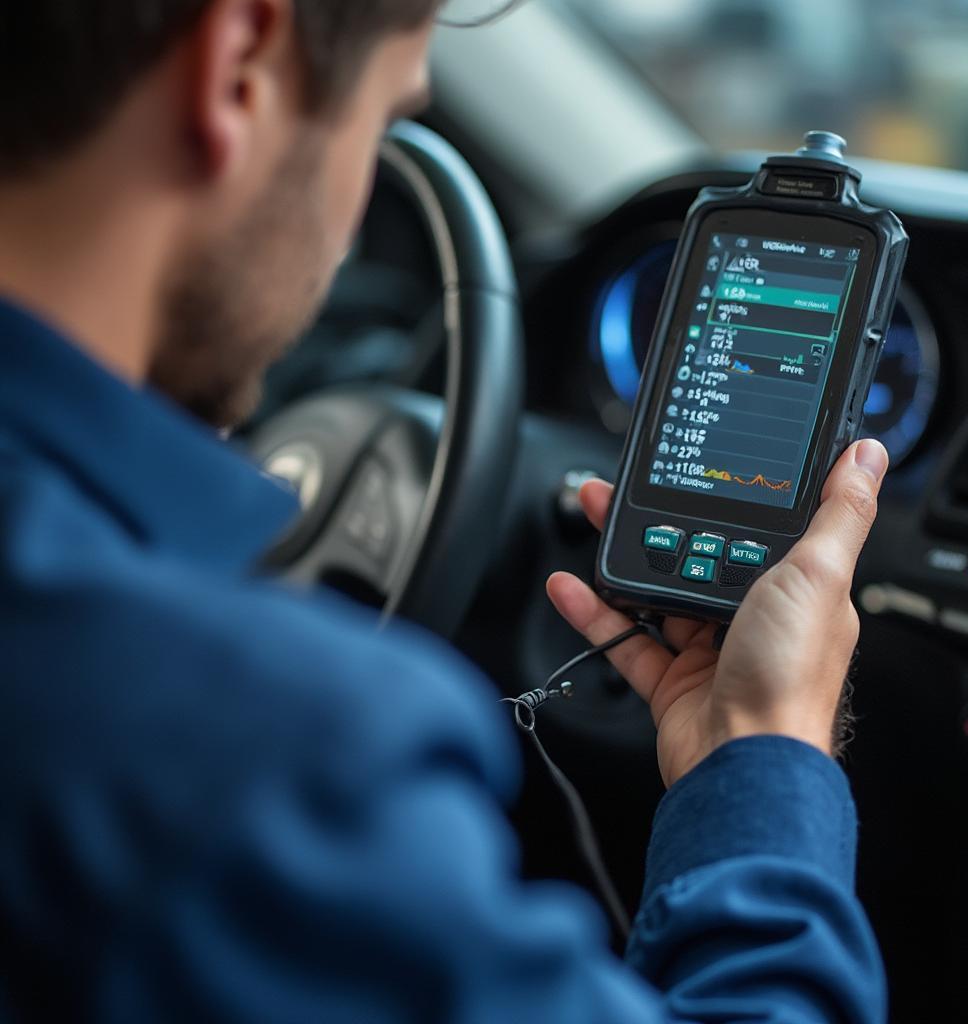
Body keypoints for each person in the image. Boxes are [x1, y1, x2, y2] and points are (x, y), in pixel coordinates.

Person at [0, 1, 889, 1020]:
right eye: (382, 125)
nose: (343, 234)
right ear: (237, 65)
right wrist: (765, 743)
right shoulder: (256, 749)